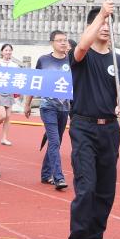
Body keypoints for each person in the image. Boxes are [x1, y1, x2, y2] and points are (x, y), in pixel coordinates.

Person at [67, 2, 120, 239]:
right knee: (86, 187)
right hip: (83, 127)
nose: (105, 28)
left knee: (105, 191)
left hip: (110, 129)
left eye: (109, 24)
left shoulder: (119, 60)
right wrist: (102, 14)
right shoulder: (81, 56)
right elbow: (82, 46)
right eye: (101, 24)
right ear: (91, 26)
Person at [24, 30, 71, 190]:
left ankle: (45, 174)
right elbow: (35, 82)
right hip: (47, 107)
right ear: (52, 43)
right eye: (59, 40)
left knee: (55, 142)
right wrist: (28, 103)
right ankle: (58, 177)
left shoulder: (71, 60)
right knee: (55, 141)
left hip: (64, 108)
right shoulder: (44, 60)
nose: (63, 43)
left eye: (65, 40)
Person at [0, 43, 17, 146]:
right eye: (6, 50)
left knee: (8, 117)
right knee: (2, 115)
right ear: (2, 52)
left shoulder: (14, 65)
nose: (8, 52)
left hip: (9, 92)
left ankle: (4, 138)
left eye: (10, 50)